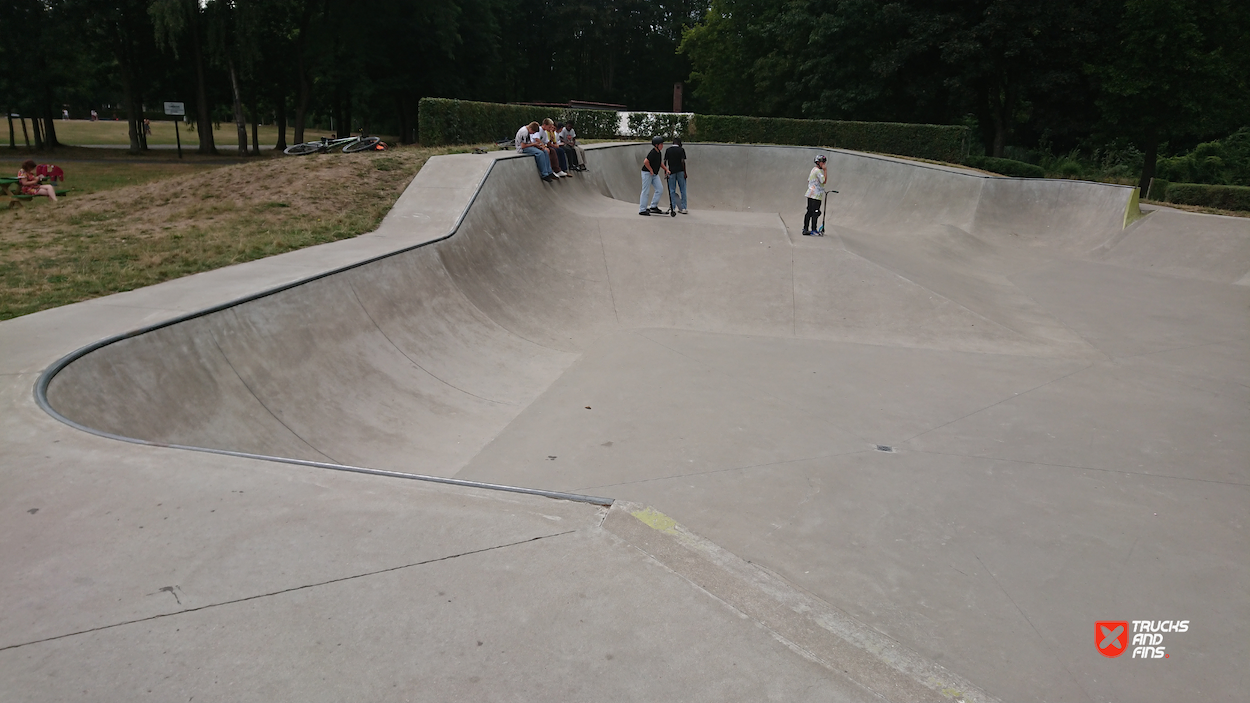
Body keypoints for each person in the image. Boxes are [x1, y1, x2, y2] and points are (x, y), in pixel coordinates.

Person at [639, 135, 668, 216]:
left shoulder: (659, 153)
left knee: (660, 189)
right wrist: (651, 170)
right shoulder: (653, 152)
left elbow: (659, 163)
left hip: (654, 174)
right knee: (646, 191)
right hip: (647, 173)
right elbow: (645, 161)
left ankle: (653, 206)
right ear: (656, 145)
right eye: (661, 144)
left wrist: (666, 169)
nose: (662, 146)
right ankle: (642, 209)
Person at [803, 154, 829, 236]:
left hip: (810, 194)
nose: (824, 164)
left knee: (809, 212)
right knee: (815, 212)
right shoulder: (818, 171)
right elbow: (824, 181)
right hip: (816, 196)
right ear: (818, 162)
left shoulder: (813, 170)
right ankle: (814, 230)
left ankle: (805, 229)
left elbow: (808, 180)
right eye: (823, 162)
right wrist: (825, 171)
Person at [664, 137, 688, 214]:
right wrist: (685, 172)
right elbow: (682, 161)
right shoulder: (681, 150)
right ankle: (684, 208)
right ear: (679, 143)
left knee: (672, 189)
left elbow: (665, 161)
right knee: (683, 189)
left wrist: (665, 171)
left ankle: (673, 207)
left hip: (671, 171)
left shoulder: (668, 150)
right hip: (680, 171)